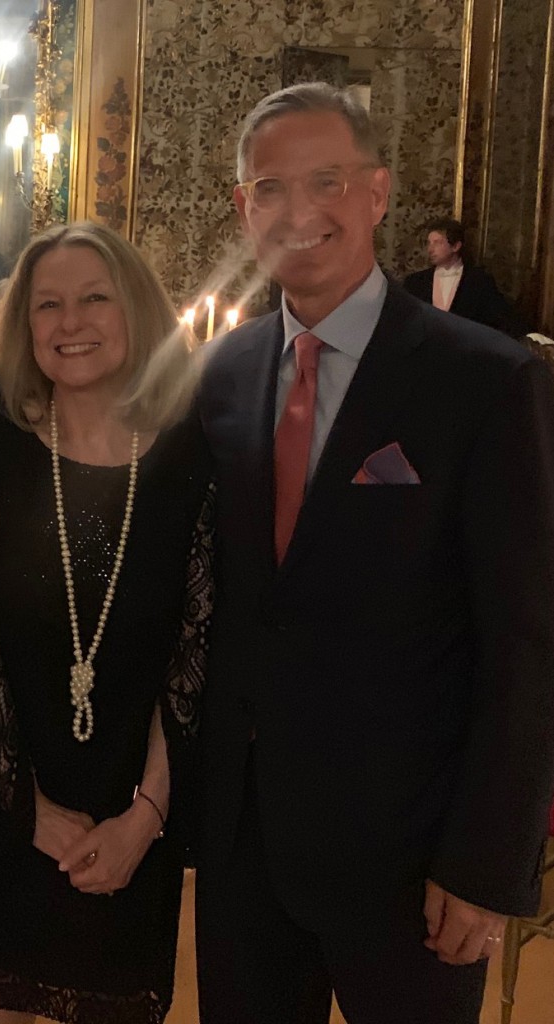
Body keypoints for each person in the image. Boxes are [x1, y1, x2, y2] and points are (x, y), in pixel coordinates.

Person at [196, 81, 554, 1024]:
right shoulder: (222, 374)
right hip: (246, 845)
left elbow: (524, 640)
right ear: (242, 207)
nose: (299, 210)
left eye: (327, 180)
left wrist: (484, 864)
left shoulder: (486, 381)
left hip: (410, 854)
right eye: (269, 188)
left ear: (379, 191)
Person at [0, 221, 211, 1024]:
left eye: (93, 299)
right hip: (4, 798)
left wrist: (144, 818)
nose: (69, 322)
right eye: (47, 304)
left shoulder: (189, 458)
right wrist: (28, 809)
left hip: (132, 809)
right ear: (24, 326)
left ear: (137, 314)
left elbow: (192, 654)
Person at [402, 216, 518, 334]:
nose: (430, 249)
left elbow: (499, 320)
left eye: (437, 243)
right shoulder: (415, 282)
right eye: (429, 243)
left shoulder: (479, 281)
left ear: (456, 246)